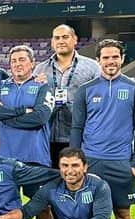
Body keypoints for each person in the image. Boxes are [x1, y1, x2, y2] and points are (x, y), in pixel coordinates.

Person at [69, 38, 135, 219]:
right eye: (106, 57)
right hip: (92, 162)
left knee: (122, 213)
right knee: (88, 212)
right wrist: (77, 162)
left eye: (115, 56)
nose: (111, 61)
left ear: (122, 58)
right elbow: (77, 127)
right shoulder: (86, 89)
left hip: (121, 163)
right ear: (98, 60)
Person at [0, 44, 56, 219]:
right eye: (14, 61)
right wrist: (25, 111)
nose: (18, 64)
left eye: (22, 59)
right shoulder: (0, 86)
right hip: (4, 158)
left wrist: (6, 116)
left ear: (32, 63)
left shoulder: (43, 86)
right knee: (2, 207)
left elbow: (40, 117)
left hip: (34, 157)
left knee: (42, 206)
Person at [36, 25, 101, 165]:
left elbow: (99, 103)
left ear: (75, 39)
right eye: (57, 38)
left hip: (80, 137)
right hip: (48, 137)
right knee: (51, 182)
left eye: (65, 37)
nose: (61, 41)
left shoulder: (92, 67)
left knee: (76, 180)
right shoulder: (40, 69)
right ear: (52, 42)